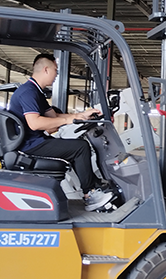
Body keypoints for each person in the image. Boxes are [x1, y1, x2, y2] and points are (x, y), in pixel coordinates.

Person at [9, 53, 113, 211]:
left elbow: (54, 116)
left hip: (35, 141)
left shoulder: (36, 92)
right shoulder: (28, 92)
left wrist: (80, 116)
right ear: (46, 69)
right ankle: (90, 194)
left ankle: (94, 185)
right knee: (80, 148)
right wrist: (68, 120)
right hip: (30, 145)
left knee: (77, 146)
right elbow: (35, 123)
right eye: (55, 70)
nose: (57, 74)